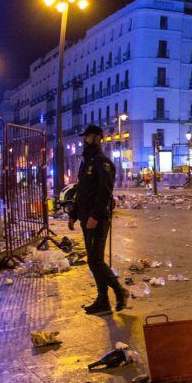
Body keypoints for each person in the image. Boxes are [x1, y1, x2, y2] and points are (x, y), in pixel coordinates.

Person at [68, 124, 128, 314]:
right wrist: (73, 215)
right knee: (94, 260)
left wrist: (94, 215)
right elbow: (81, 191)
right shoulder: (87, 162)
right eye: (84, 137)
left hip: (97, 219)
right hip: (86, 218)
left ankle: (119, 291)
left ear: (97, 138)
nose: (84, 140)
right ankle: (103, 299)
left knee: (95, 260)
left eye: (88, 137)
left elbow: (104, 191)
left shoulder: (103, 162)